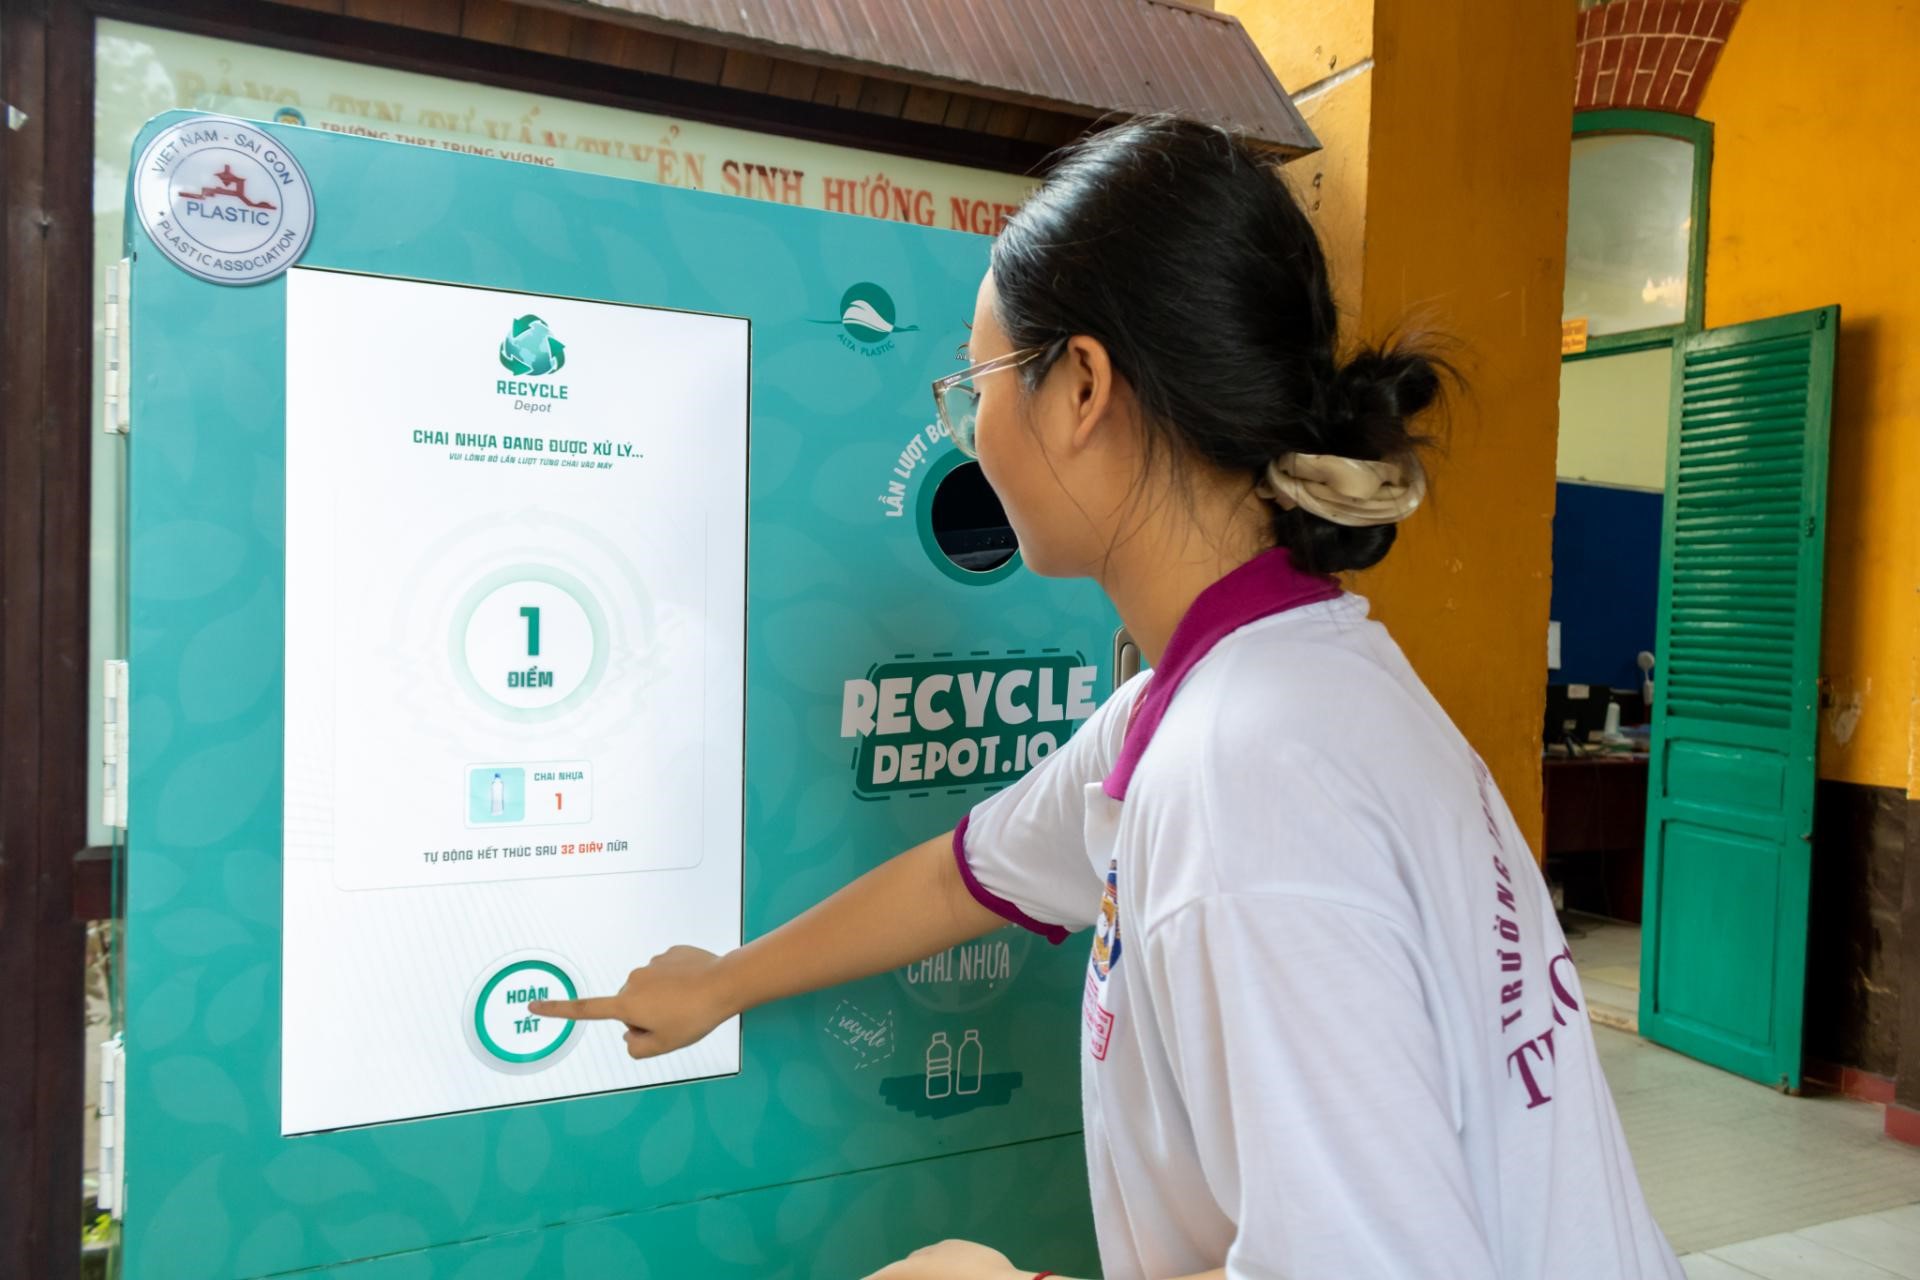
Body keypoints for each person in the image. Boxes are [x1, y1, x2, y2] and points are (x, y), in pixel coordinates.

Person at [531, 116, 1683, 1280]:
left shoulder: (1245, 782)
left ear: (1081, 384)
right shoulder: (1231, 702)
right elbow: (960, 872)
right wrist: (720, 980)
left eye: (975, 385)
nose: (967, 434)